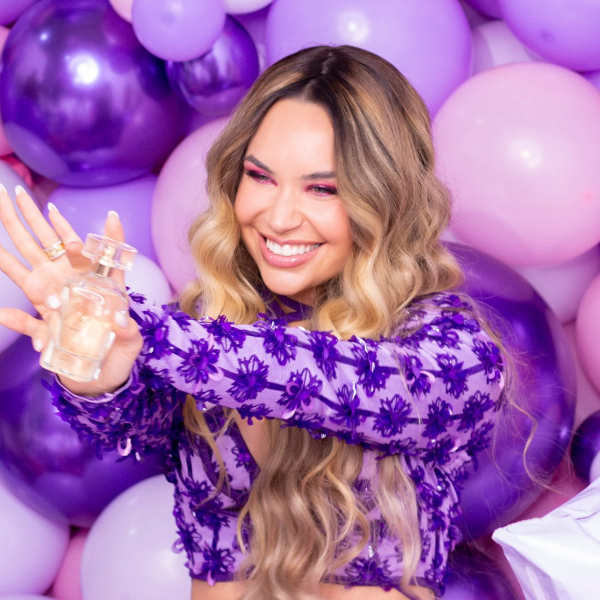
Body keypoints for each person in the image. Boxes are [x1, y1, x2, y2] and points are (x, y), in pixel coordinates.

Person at [0, 45, 513, 600]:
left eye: (323, 188)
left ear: (386, 198)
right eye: (260, 177)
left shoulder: (455, 352)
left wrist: (150, 335)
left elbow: (327, 379)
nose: (279, 217)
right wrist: (98, 366)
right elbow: (132, 427)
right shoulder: (206, 324)